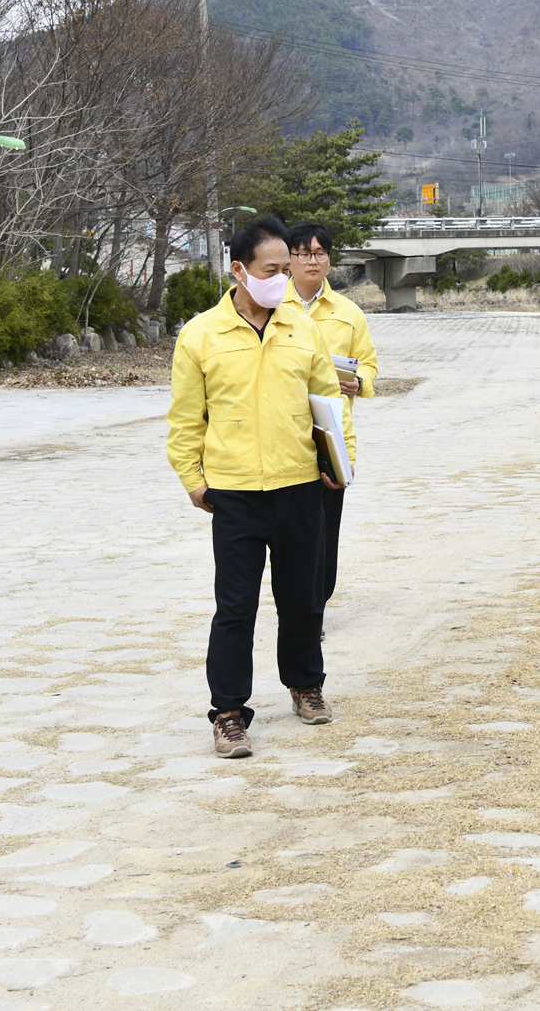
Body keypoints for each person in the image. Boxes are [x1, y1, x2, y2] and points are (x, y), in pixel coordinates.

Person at [167, 215, 352, 758]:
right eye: (272, 269)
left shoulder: (303, 328)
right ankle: (228, 712)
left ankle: (305, 686)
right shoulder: (201, 335)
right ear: (239, 271)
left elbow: (328, 404)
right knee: (235, 607)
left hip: (300, 486)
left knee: (302, 600)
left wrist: (338, 463)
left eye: (286, 269)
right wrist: (193, 482)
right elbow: (185, 420)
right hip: (237, 493)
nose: (283, 278)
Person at [284, 222, 376, 637]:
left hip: (330, 433)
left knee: (325, 527)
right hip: (281, 431)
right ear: (288, 259)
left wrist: (361, 382)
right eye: (303, 253)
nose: (312, 260)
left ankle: (315, 608)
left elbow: (368, 363)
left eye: (319, 253)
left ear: (329, 259)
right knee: (289, 529)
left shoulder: (348, 313)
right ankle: (296, 604)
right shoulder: (269, 305)